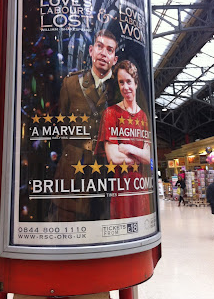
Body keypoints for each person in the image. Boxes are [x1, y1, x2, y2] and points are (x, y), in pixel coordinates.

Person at [51, 29, 119, 221]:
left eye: (109, 49)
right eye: (99, 46)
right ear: (91, 50)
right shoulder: (71, 84)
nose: (103, 53)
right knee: (70, 220)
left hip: (108, 168)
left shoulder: (121, 87)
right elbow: (62, 124)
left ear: (114, 59)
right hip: (74, 166)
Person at [95, 60, 152, 219]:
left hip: (141, 189)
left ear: (136, 84)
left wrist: (128, 148)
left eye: (128, 82)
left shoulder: (143, 116)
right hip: (122, 187)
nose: (125, 87)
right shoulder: (111, 113)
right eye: (121, 82)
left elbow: (149, 157)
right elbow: (113, 157)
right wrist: (140, 156)